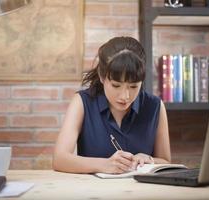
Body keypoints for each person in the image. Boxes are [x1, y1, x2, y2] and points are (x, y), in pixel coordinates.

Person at [53, 36, 171, 174]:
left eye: (133, 86)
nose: (125, 96)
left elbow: (166, 161)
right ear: (102, 77)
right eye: (116, 85)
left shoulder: (155, 106)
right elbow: (60, 159)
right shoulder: (82, 102)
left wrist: (150, 159)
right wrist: (104, 165)